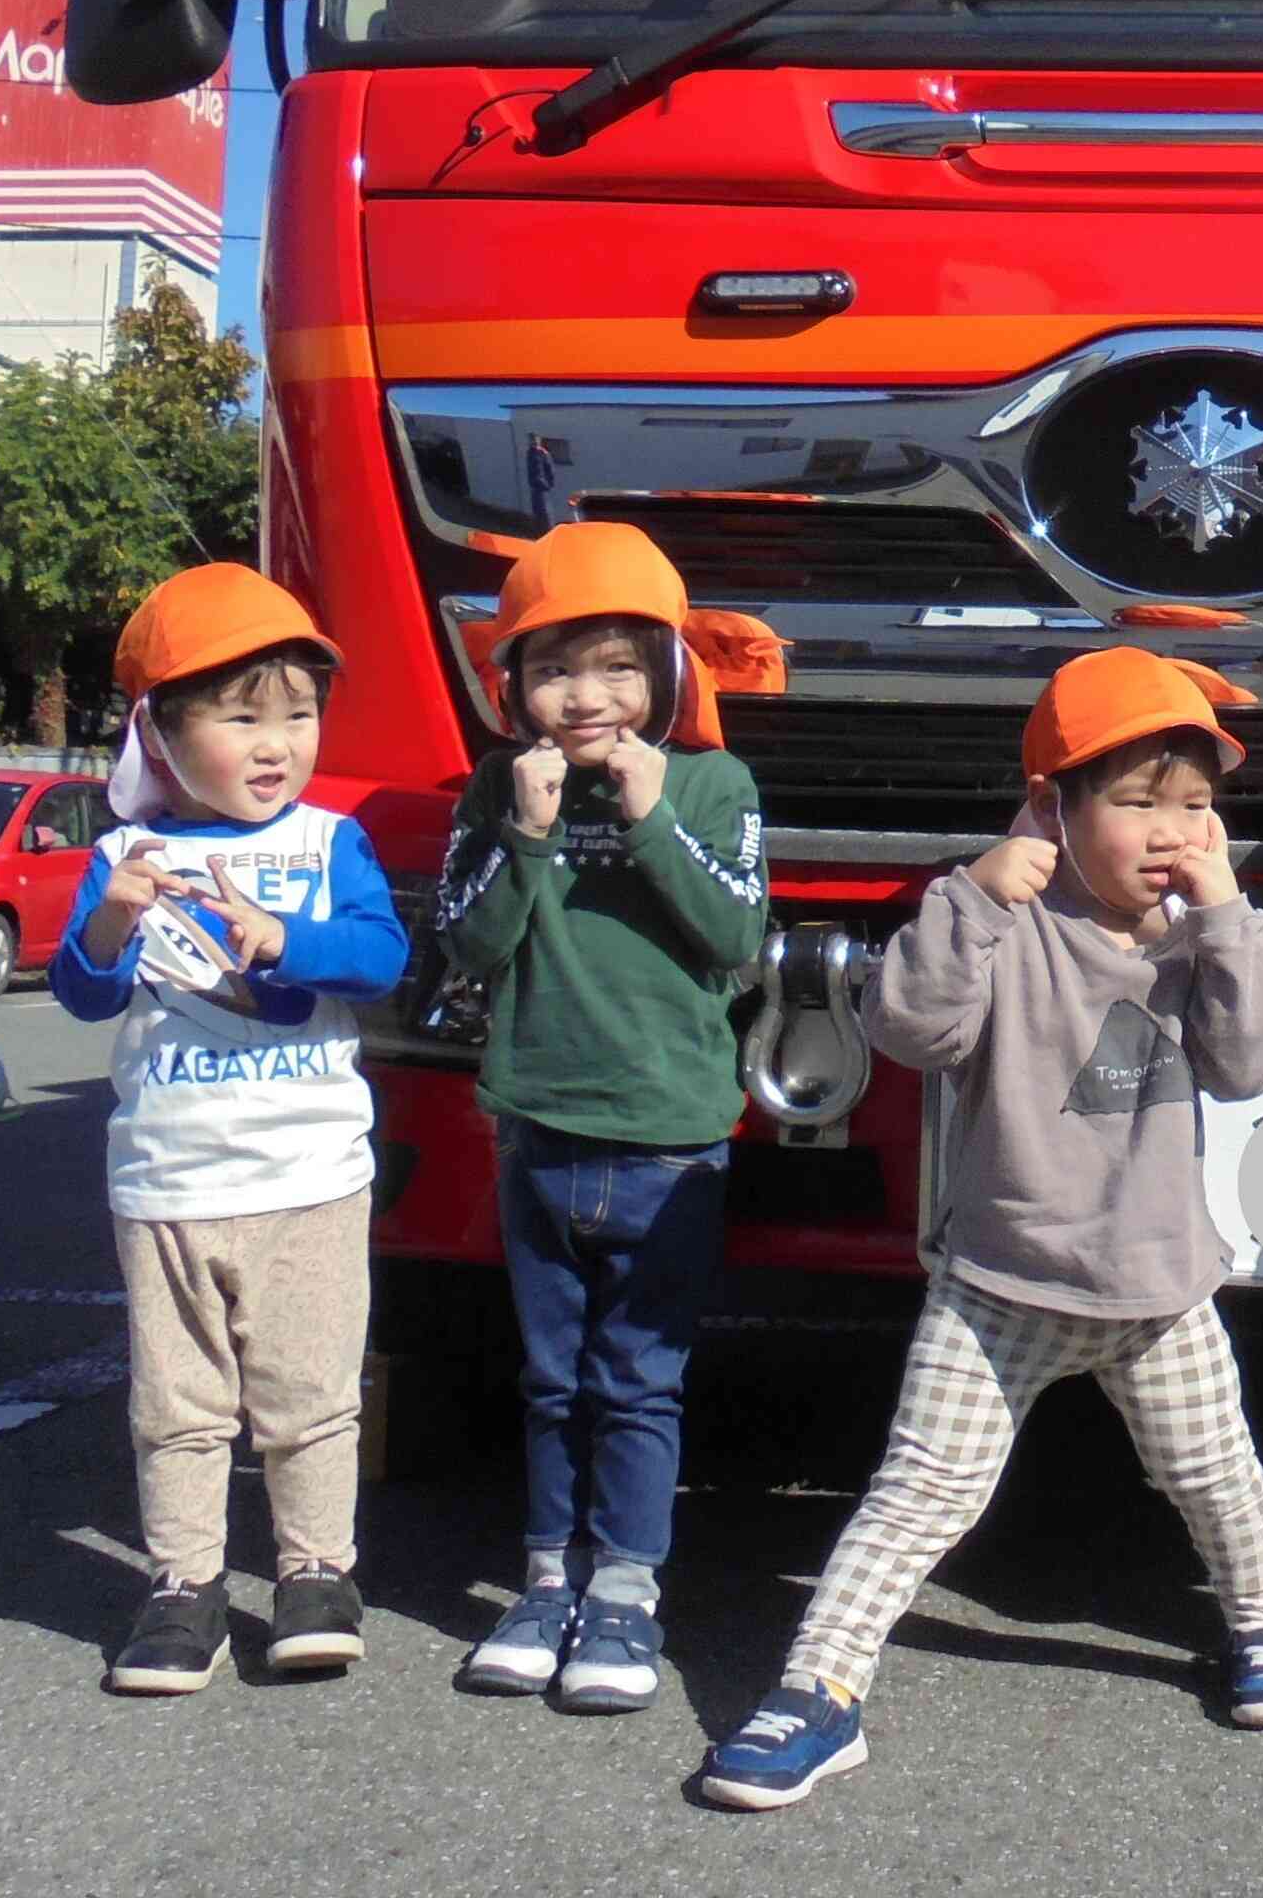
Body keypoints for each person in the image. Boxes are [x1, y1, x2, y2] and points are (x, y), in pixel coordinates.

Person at [700, 648, 1263, 1810]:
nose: (1170, 832)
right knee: (919, 1489)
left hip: (1158, 1288)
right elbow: (913, 1032)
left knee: (1214, 1475)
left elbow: (1255, 1064)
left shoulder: (1205, 931)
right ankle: (818, 1693)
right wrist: (979, 896)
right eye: (1135, 802)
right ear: (1051, 804)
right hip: (1000, 1281)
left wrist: (1229, 914)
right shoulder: (992, 911)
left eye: (1195, 806)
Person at [50, 563, 410, 1698]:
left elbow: (381, 958)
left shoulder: (330, 840)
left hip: (310, 1174)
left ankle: (316, 1575)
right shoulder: (123, 858)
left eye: (298, 714)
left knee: (310, 1390)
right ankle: (182, 1589)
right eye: (242, 716)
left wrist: (283, 940)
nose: (278, 743)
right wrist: (107, 926)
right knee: (179, 1403)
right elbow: (83, 994)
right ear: (160, 733)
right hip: (165, 1178)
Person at [434, 522, 772, 1715]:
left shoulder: (714, 783)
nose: (588, 696)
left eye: (621, 666)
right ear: (513, 683)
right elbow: (468, 944)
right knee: (548, 1376)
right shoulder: (498, 788)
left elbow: (734, 938)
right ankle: (543, 1583)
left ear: (670, 676)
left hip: (674, 1133)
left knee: (637, 1380)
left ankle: (624, 1593)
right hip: (536, 1123)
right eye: (556, 668)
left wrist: (647, 815)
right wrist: (528, 831)